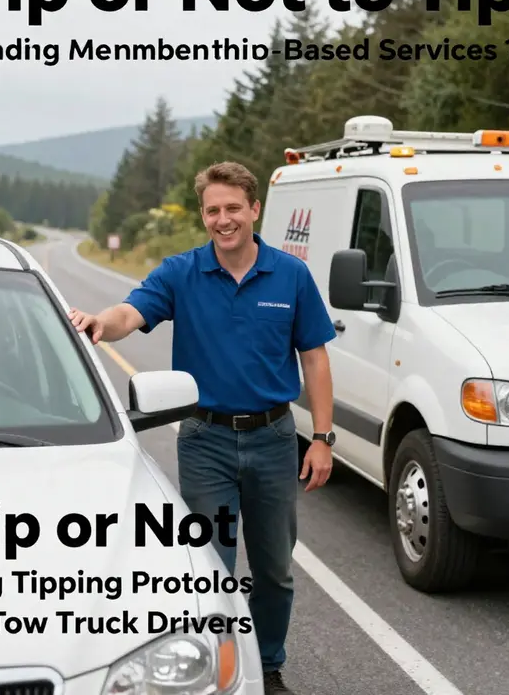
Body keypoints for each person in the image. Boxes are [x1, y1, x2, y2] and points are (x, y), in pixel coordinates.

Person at [69, 161, 336, 695]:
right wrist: (101, 321)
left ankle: (269, 663)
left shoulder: (291, 276)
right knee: (209, 568)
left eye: (233, 208)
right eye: (213, 210)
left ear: (254, 210)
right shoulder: (180, 272)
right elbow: (131, 312)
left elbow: (316, 359)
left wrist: (324, 439)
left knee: (274, 569)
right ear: (204, 215)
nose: (223, 219)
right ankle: (218, 665)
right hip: (204, 440)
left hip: (274, 438)